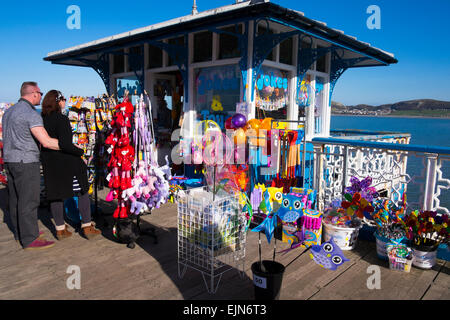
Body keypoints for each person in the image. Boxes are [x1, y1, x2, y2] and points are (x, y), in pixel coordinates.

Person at [2, 81, 60, 250]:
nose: (41, 97)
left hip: (10, 160)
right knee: (29, 201)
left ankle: (20, 233)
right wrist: (68, 145)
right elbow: (46, 141)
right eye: (40, 93)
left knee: (15, 199)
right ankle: (30, 238)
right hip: (26, 162)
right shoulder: (31, 114)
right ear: (34, 93)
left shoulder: (8, 112)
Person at [40, 90, 101, 240]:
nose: (65, 102)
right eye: (63, 99)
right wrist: (80, 151)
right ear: (58, 101)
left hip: (49, 163)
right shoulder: (61, 119)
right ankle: (87, 226)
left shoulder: (41, 119)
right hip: (68, 163)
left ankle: (60, 230)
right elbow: (66, 144)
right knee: (82, 191)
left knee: (55, 196)